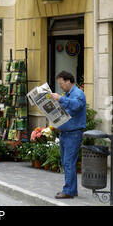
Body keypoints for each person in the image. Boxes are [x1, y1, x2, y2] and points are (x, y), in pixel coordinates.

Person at [50, 71, 86, 199]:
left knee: (69, 162)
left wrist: (60, 98)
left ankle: (68, 191)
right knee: (66, 163)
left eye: (61, 83)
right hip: (65, 133)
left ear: (68, 81)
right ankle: (72, 189)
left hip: (73, 133)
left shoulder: (78, 94)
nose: (60, 86)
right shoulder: (68, 94)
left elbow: (76, 105)